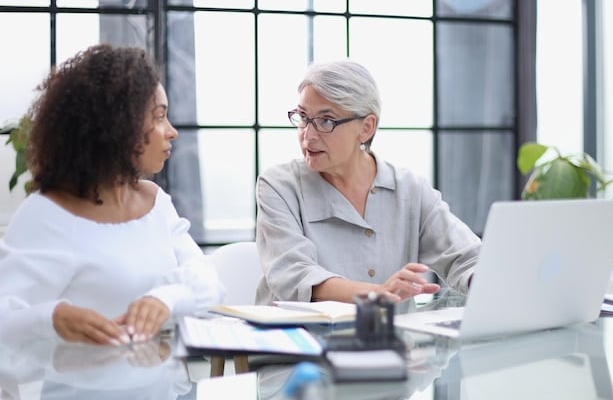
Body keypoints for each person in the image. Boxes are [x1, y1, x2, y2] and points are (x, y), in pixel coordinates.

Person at [0, 44, 225, 346]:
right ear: (118, 126)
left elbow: (210, 283)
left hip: (166, 384)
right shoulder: (47, 213)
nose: (171, 131)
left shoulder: (155, 202)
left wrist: (166, 299)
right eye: (159, 117)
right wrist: (53, 317)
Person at [255, 60, 480, 312]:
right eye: (304, 117)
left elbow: (466, 257)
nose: (308, 135)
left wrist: (486, 281)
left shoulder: (410, 189)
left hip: (390, 345)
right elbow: (295, 275)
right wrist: (379, 293)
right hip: (295, 344)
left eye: (326, 121)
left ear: (366, 127)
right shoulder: (277, 186)